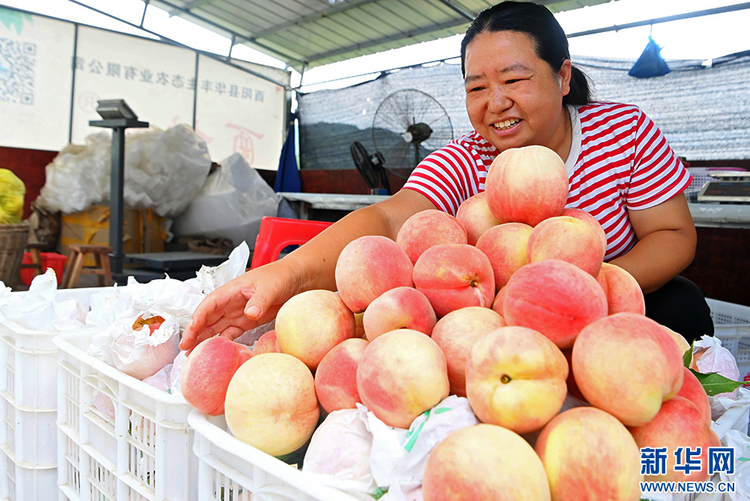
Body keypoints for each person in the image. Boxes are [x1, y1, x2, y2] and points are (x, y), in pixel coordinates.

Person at [181, 1, 713, 352]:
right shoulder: (466, 159)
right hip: (496, 333)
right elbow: (389, 219)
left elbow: (671, 235)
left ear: (562, 74)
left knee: (683, 304)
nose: (495, 102)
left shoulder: (623, 132)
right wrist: (284, 275)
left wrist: (585, 297)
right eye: (476, 86)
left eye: (514, 78)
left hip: (602, 312)